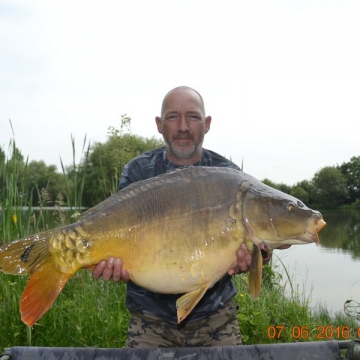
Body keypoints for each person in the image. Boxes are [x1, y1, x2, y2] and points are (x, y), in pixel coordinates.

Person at [92, 86, 263, 347]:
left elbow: (253, 243)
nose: (183, 126)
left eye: (193, 117)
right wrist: (110, 262)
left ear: (206, 124)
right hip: (149, 320)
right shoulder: (139, 171)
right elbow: (123, 238)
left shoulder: (229, 176)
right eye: (173, 117)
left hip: (217, 319)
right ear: (159, 125)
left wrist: (253, 258)